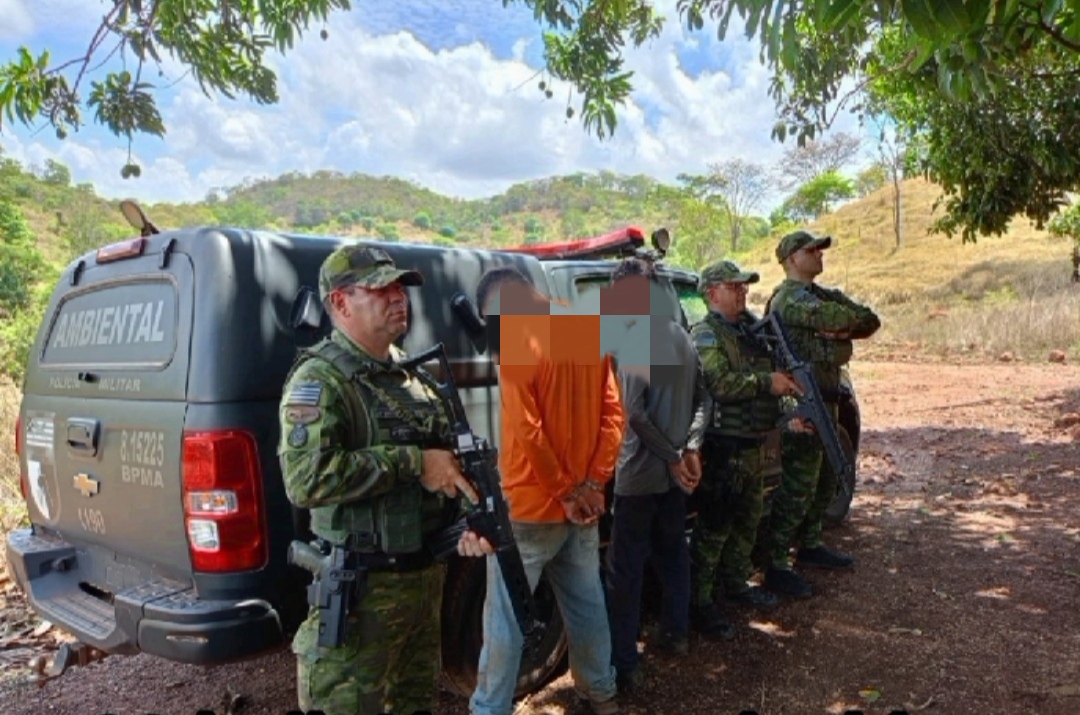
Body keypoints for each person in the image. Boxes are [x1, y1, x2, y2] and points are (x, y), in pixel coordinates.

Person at [278, 244, 494, 715]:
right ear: (340, 303)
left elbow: (444, 470)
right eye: (381, 289)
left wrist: (469, 525)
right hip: (362, 599)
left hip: (421, 587)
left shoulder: (411, 376)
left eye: (401, 288)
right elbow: (305, 479)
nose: (398, 297)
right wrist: (413, 463)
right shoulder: (322, 380)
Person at [470, 267, 625, 715]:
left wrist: (564, 491)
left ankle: (490, 708)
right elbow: (614, 417)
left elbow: (529, 431)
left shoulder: (517, 342)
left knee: (505, 619)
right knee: (586, 602)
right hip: (583, 508)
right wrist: (593, 484)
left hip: (531, 509)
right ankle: (601, 691)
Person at [601, 257, 711, 693]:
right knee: (672, 554)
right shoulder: (681, 337)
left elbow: (635, 418)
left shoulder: (634, 343)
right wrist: (691, 447)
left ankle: (625, 663)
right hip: (672, 479)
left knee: (624, 571)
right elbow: (706, 399)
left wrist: (672, 455)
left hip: (638, 476)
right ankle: (675, 632)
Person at [760, 230, 881, 598]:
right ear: (792, 259)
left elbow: (868, 319)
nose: (819, 255)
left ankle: (810, 544)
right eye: (811, 250)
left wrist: (837, 331)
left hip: (828, 396)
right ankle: (776, 563)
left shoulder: (817, 295)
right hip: (802, 401)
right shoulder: (788, 300)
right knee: (799, 485)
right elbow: (840, 316)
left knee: (826, 479)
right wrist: (838, 331)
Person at [688, 260, 804, 637]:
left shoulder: (752, 331)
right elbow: (718, 382)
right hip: (725, 447)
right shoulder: (706, 334)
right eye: (733, 286)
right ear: (712, 293)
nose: (742, 292)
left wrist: (789, 411)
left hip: (755, 442)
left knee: (748, 521)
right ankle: (700, 602)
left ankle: (736, 585)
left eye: (743, 286)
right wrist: (765, 383)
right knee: (714, 528)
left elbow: (779, 378)